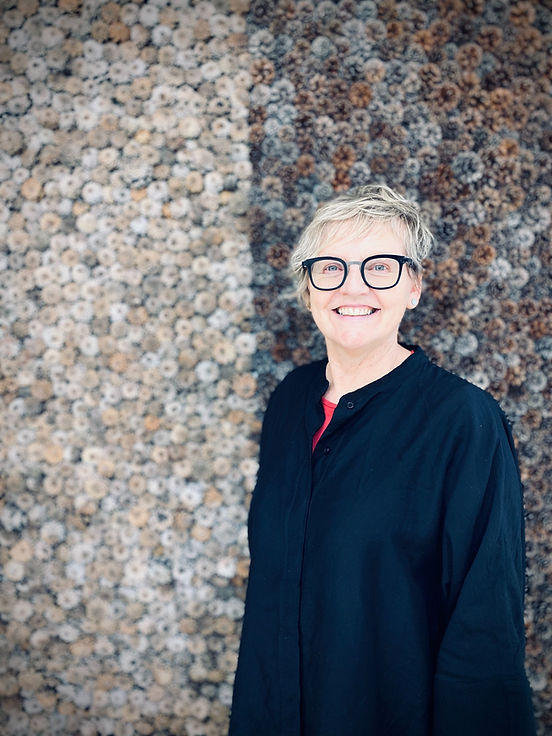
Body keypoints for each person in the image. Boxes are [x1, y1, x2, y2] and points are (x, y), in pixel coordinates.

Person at [229, 184, 536, 735]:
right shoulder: (290, 401)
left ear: (413, 286)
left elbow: (485, 625)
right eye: (331, 267)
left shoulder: (463, 420)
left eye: (380, 266)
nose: (354, 286)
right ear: (307, 287)